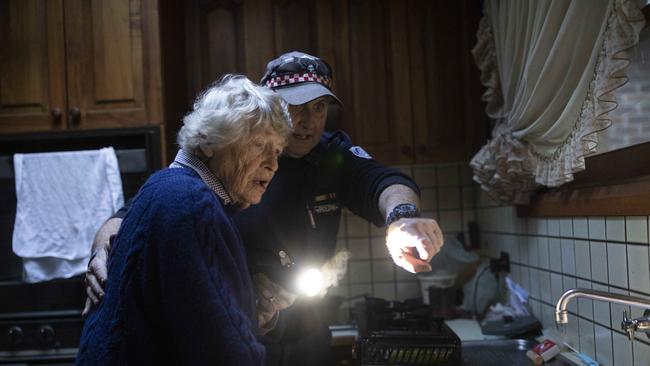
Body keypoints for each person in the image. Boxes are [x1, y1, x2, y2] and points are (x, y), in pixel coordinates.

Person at [84, 52, 444, 366]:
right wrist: (103, 253)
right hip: (247, 335)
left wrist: (401, 219)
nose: (308, 121)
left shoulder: (330, 156)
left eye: (319, 107)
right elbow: (129, 221)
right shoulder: (198, 190)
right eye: (296, 108)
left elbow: (381, 181)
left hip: (298, 333)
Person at [76, 75, 292, 365]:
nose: (273, 163)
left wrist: (252, 314)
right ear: (209, 142)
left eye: (277, 150)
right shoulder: (191, 203)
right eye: (258, 144)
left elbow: (188, 323)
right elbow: (220, 352)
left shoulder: (171, 188)